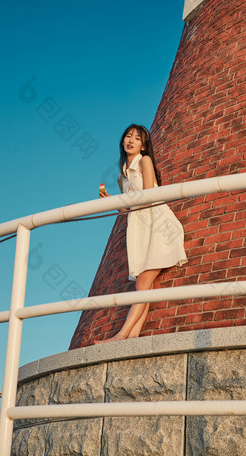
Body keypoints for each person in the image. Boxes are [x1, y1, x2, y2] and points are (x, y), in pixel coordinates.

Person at [95, 124, 187, 343]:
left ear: (143, 145)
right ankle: (134, 334)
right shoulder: (122, 177)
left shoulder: (145, 161)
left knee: (143, 283)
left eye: (136, 138)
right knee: (144, 285)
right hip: (140, 226)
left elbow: (147, 195)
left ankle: (121, 335)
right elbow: (128, 211)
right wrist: (112, 201)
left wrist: (125, 202)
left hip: (157, 224)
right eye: (128, 136)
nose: (131, 141)